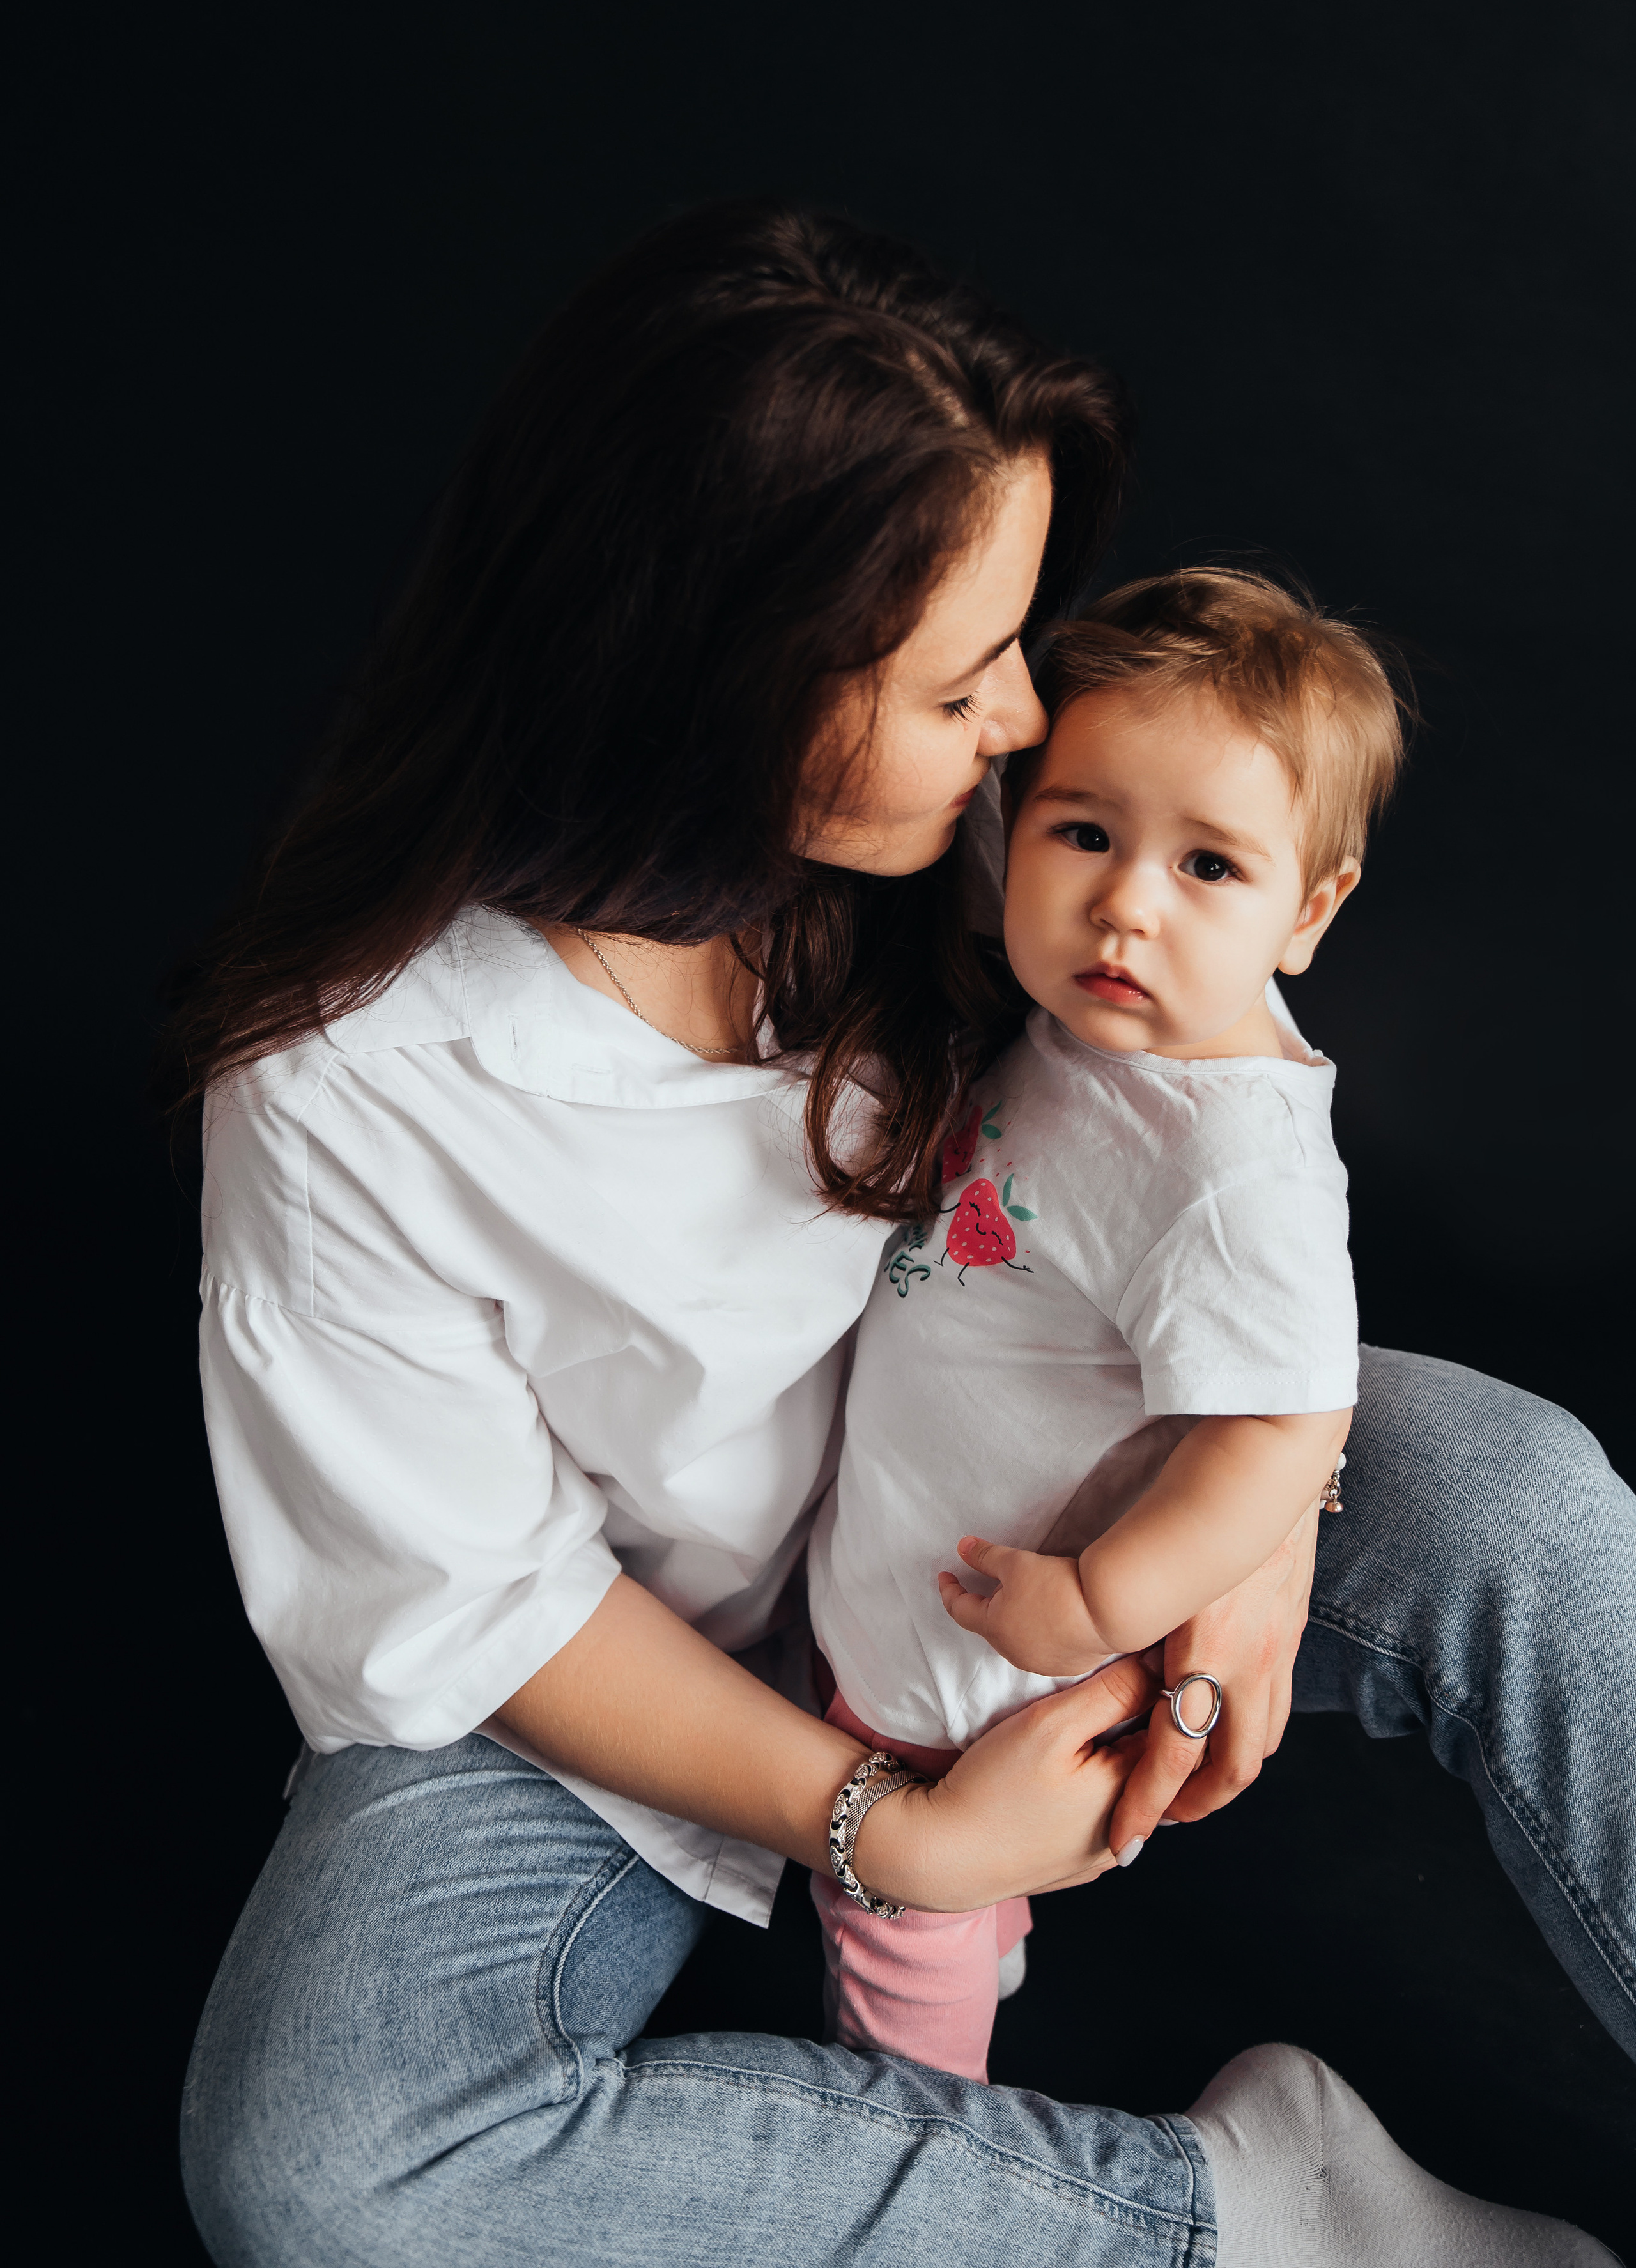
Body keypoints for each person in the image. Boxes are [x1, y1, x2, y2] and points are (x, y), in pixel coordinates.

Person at [167, 201, 1630, 2265]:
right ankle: (1246, 2218)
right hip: (619, 1665)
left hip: (1031, 1496)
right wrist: (885, 1816)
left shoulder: (953, 842)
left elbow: (1225, 1074)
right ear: (728, 682)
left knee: (1524, 1493)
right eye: (962, 680)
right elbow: (469, 1588)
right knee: (325, 2164)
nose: (1028, 720)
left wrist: (1266, 1505)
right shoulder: (349, 1079)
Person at [806, 569, 1396, 2079]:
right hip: (907, 1585)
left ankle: (923, 2131)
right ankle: (986, 1942)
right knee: (947, 1901)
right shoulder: (1096, 1016)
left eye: (1208, 867)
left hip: (978, 1670)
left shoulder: (1229, 1159)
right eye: (1084, 833)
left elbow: (1279, 1426)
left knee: (892, 1923)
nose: (1125, 902)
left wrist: (1098, 1603)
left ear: (1307, 912)